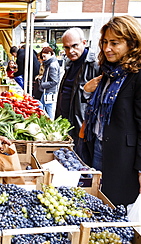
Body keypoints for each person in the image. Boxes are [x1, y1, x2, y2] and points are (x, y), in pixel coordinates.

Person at [83, 15, 141, 207]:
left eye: (115, 43)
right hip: (97, 147)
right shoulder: (107, 72)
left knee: (113, 206)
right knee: (93, 202)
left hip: (121, 158)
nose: (107, 48)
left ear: (132, 43)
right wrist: (86, 91)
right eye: (105, 42)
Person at [55, 27, 100, 163]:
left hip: (81, 128)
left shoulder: (95, 66)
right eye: (67, 48)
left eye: (74, 46)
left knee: (79, 163)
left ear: (84, 43)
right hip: (65, 124)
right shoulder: (70, 64)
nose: (70, 51)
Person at [38, 47, 60, 119]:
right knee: (44, 107)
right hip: (48, 90)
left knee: (47, 108)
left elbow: (55, 81)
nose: (43, 58)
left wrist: (43, 84)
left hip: (48, 91)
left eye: (44, 56)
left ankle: (50, 124)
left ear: (50, 54)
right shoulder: (52, 63)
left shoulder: (52, 65)